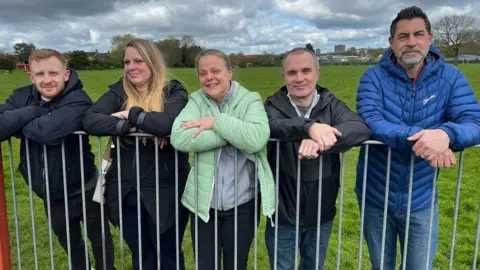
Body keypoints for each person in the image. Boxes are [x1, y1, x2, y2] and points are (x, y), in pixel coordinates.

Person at [356, 6, 480, 270]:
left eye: (418, 34)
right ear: (391, 42)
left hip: (421, 198)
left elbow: (474, 122)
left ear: (430, 38)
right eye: (403, 36)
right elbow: (373, 122)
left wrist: (446, 134)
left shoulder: (451, 78)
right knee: (381, 266)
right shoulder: (373, 77)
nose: (411, 42)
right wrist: (427, 140)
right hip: (376, 197)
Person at [0, 49, 115, 269]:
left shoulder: (79, 99)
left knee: (100, 239)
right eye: (40, 74)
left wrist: (19, 122)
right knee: (70, 244)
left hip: (85, 186)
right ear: (30, 76)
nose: (46, 80)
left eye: (53, 73)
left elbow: (49, 133)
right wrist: (34, 112)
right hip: (50, 192)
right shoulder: (21, 96)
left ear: (66, 74)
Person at [82, 39, 190, 270]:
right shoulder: (118, 90)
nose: (131, 67)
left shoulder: (173, 90)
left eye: (138, 61)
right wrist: (130, 127)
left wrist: (129, 114)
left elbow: (168, 123)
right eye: (127, 62)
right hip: (124, 190)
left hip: (165, 190)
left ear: (152, 63)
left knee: (168, 255)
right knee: (141, 256)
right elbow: (91, 120)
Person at [264, 47, 371, 269]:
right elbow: (270, 126)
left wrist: (323, 140)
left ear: (317, 73)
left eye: (306, 71)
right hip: (282, 214)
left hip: (321, 213)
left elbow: (359, 127)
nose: (300, 78)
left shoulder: (331, 104)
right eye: (292, 73)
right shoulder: (272, 106)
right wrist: (309, 128)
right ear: (283, 76)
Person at [170, 49, 276, 270]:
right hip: (203, 205)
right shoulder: (197, 100)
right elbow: (179, 137)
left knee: (236, 265)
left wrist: (216, 122)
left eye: (216, 70)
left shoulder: (250, 99)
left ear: (230, 72)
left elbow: (256, 139)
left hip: (242, 204)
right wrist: (233, 135)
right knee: (205, 265)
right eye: (203, 73)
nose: (209, 77)